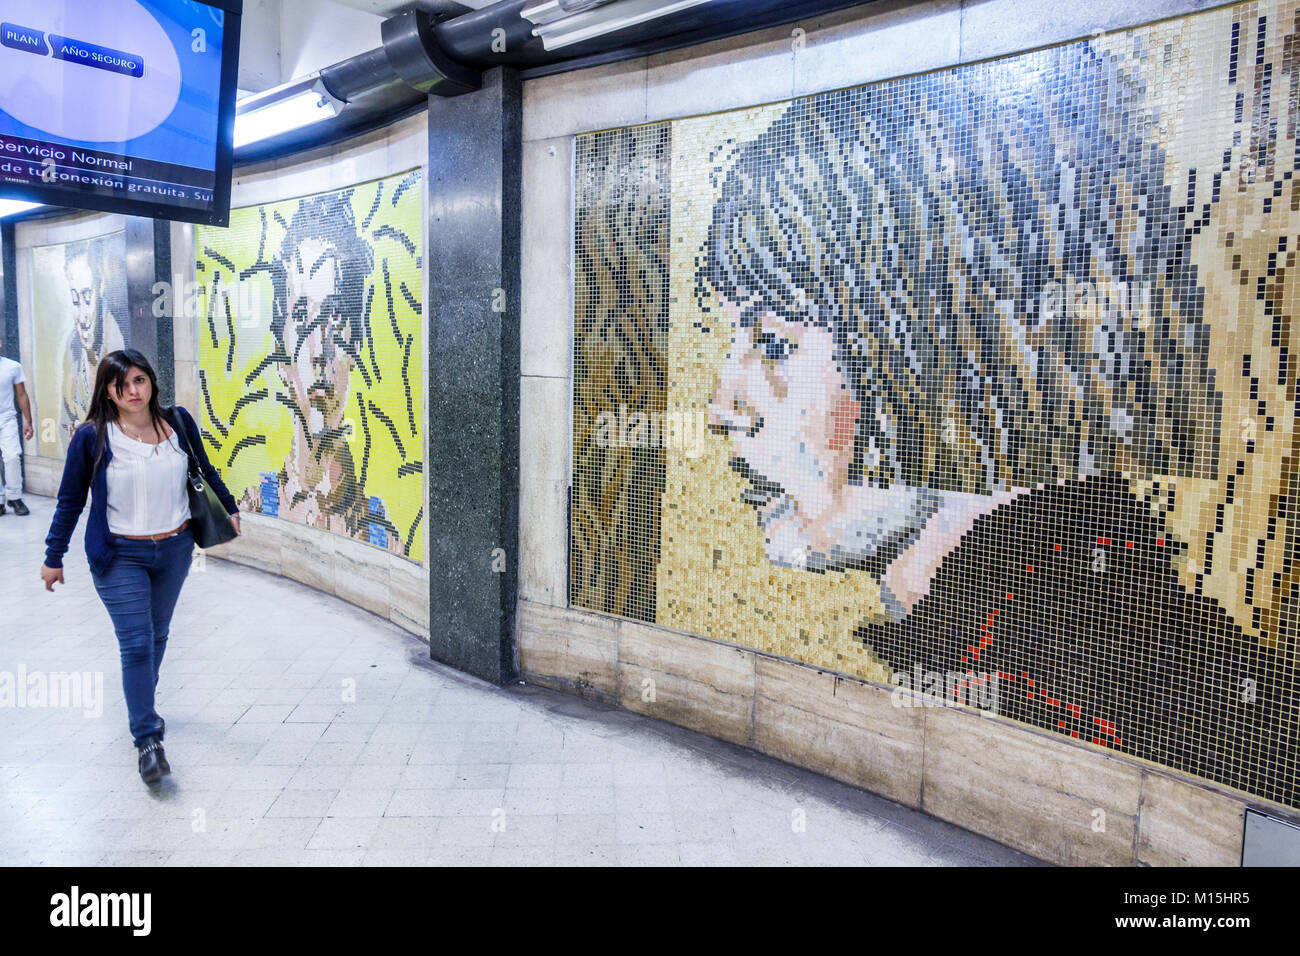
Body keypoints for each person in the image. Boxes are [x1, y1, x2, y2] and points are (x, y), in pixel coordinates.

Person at [696, 45, 1296, 806]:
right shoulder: (1041, 627)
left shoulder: (1084, 691)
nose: (724, 405)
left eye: (774, 341)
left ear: (938, 354)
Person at [41, 349, 241, 785]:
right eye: (121, 385)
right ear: (107, 392)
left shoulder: (178, 423)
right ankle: (148, 739)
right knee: (135, 644)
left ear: (151, 382)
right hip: (119, 556)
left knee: (158, 634)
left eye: (139, 381)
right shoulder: (92, 437)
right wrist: (53, 556)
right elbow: (70, 500)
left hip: (173, 549)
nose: (132, 392)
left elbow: (202, 468)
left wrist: (228, 507)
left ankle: (140, 702)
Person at [257, 193, 402, 551]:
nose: (321, 351)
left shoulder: (387, 540)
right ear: (280, 353)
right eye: (304, 319)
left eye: (335, 319)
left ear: (357, 344)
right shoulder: (254, 508)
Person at [60, 239, 126, 447]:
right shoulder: (71, 349)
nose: (82, 317)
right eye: (75, 301)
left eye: (87, 299)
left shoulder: (121, 349)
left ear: (101, 287)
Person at [0, 353, 34, 516]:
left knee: (12, 456)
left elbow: (21, 394)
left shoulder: (13, 367)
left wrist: (28, 421)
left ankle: (14, 497)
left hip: (7, 418)